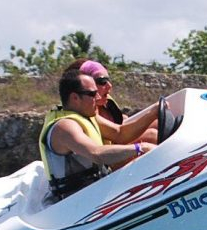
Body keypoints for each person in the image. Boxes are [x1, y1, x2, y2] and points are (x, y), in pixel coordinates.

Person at [39, 69, 154, 200]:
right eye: (93, 94)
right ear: (75, 98)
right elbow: (96, 153)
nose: (98, 98)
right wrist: (140, 148)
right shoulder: (64, 128)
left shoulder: (87, 115)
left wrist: (153, 111)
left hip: (99, 189)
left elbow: (120, 133)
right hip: (78, 202)